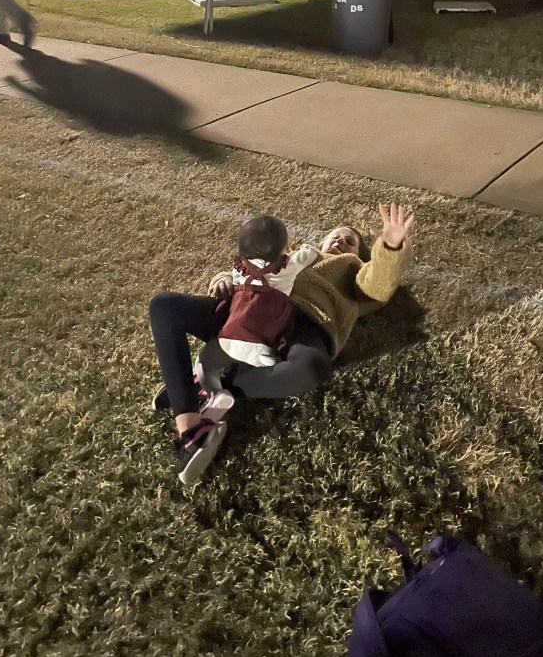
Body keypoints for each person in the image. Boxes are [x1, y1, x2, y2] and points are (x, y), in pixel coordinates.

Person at [148, 203, 415, 486]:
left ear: (359, 254)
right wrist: (222, 279)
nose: (340, 241)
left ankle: (216, 384)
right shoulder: (294, 256)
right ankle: (189, 424)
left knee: (312, 368)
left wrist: (390, 247)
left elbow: (378, 285)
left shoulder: (352, 268)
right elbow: (249, 267)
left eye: (350, 241)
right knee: (165, 307)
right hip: (247, 309)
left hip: (303, 324)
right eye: (335, 236)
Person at [195, 215, 319, 393]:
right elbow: (308, 254)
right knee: (256, 369)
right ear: (283, 249)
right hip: (265, 346)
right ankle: (247, 382)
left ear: (242, 251)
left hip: (232, 339)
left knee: (205, 361)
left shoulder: (240, 270)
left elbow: (231, 283)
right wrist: (312, 248)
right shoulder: (288, 267)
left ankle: (216, 393)